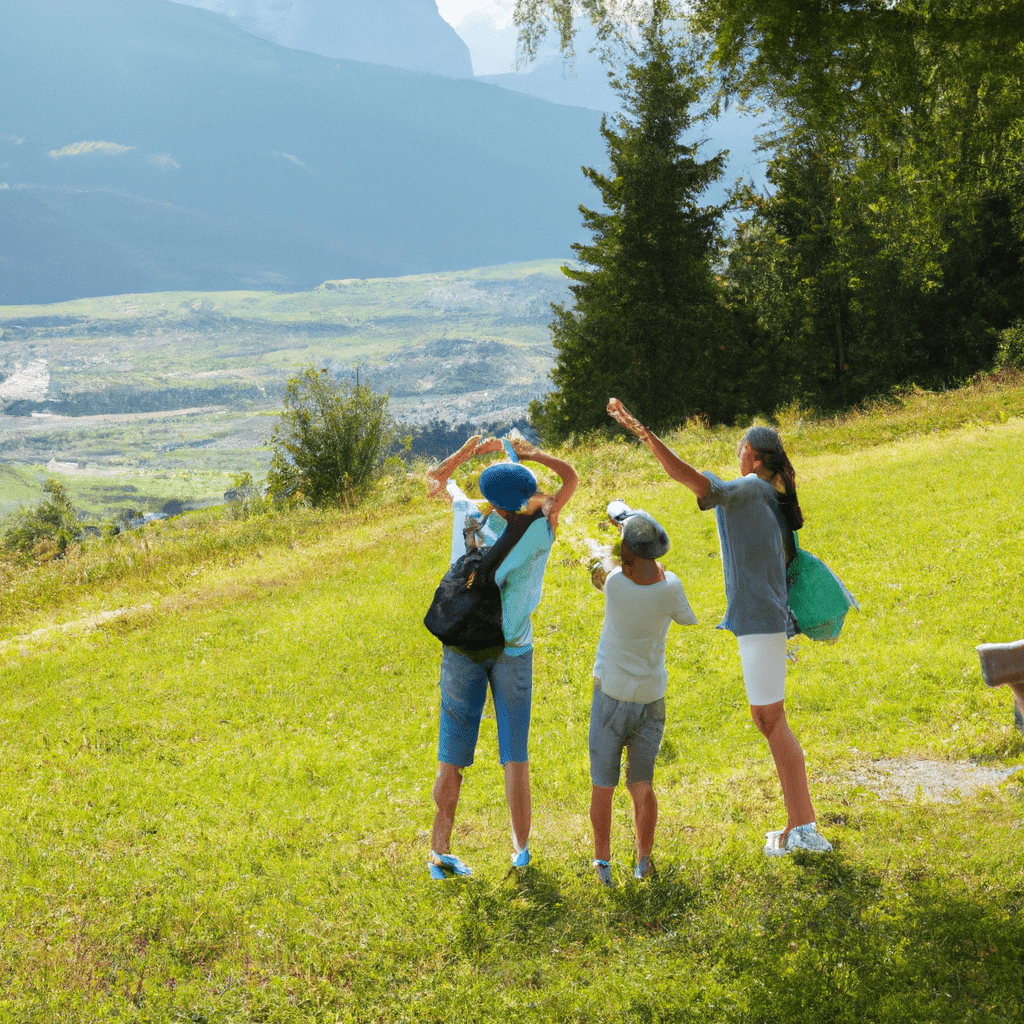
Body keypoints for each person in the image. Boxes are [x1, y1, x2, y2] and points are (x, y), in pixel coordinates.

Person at [607, 398, 832, 856]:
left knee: (773, 719)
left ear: (753, 456)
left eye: (739, 449)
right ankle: (796, 826)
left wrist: (645, 434)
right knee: (766, 718)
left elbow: (686, 477)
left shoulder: (750, 488)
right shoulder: (769, 494)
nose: (737, 456)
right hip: (762, 621)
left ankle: (805, 827)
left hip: (762, 622)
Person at [425, 433, 578, 879]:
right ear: (525, 498)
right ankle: (521, 850)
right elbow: (568, 478)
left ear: (492, 499)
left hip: (462, 648)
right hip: (514, 648)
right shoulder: (540, 530)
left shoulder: (469, 517)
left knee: (451, 754)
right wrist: (529, 455)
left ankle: (440, 854)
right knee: (515, 752)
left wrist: (468, 451)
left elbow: (441, 480)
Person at [589, 505, 697, 884]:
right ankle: (643, 861)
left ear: (627, 557)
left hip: (611, 695)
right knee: (641, 784)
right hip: (651, 698)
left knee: (603, 784)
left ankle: (603, 864)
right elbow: (686, 617)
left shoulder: (617, 584)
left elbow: (604, 572)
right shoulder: (672, 587)